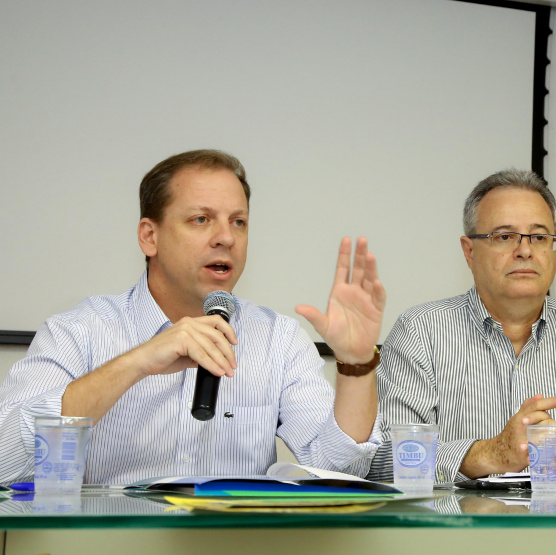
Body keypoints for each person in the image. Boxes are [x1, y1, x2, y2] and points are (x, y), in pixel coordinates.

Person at [0, 149, 386, 485]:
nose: (227, 238)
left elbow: (340, 470)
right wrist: (136, 362)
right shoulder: (78, 331)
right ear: (149, 237)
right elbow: (6, 463)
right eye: (201, 219)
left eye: (239, 221)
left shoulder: (278, 339)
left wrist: (356, 365)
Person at [369, 169, 556, 483]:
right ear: (469, 251)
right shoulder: (420, 332)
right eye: (505, 236)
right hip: (456, 530)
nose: (525, 250)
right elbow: (384, 460)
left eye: (539, 237)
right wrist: (490, 454)